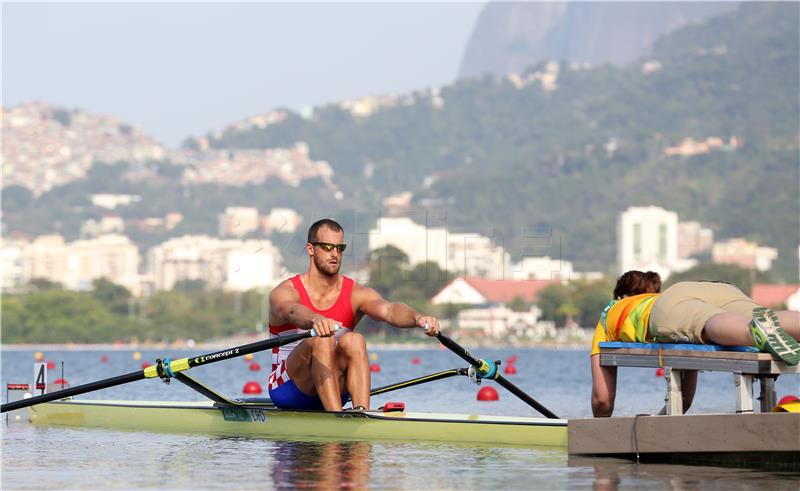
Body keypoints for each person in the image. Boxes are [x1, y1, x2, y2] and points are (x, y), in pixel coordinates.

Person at [267, 218, 441, 411]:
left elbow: (389, 310)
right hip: (289, 390)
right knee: (321, 340)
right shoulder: (286, 291)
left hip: (335, 388)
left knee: (354, 340)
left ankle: (362, 414)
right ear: (310, 249)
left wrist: (418, 318)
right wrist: (315, 319)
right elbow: (290, 310)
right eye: (327, 247)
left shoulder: (355, 293)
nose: (334, 254)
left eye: (339, 248)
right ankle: (337, 419)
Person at [590, 270, 800, 417]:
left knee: (706, 324)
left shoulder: (612, 311)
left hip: (674, 304)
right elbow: (684, 399)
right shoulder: (661, 297)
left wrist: (600, 431)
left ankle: (752, 333)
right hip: (717, 289)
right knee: (769, 319)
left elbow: (602, 400)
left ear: (620, 296)